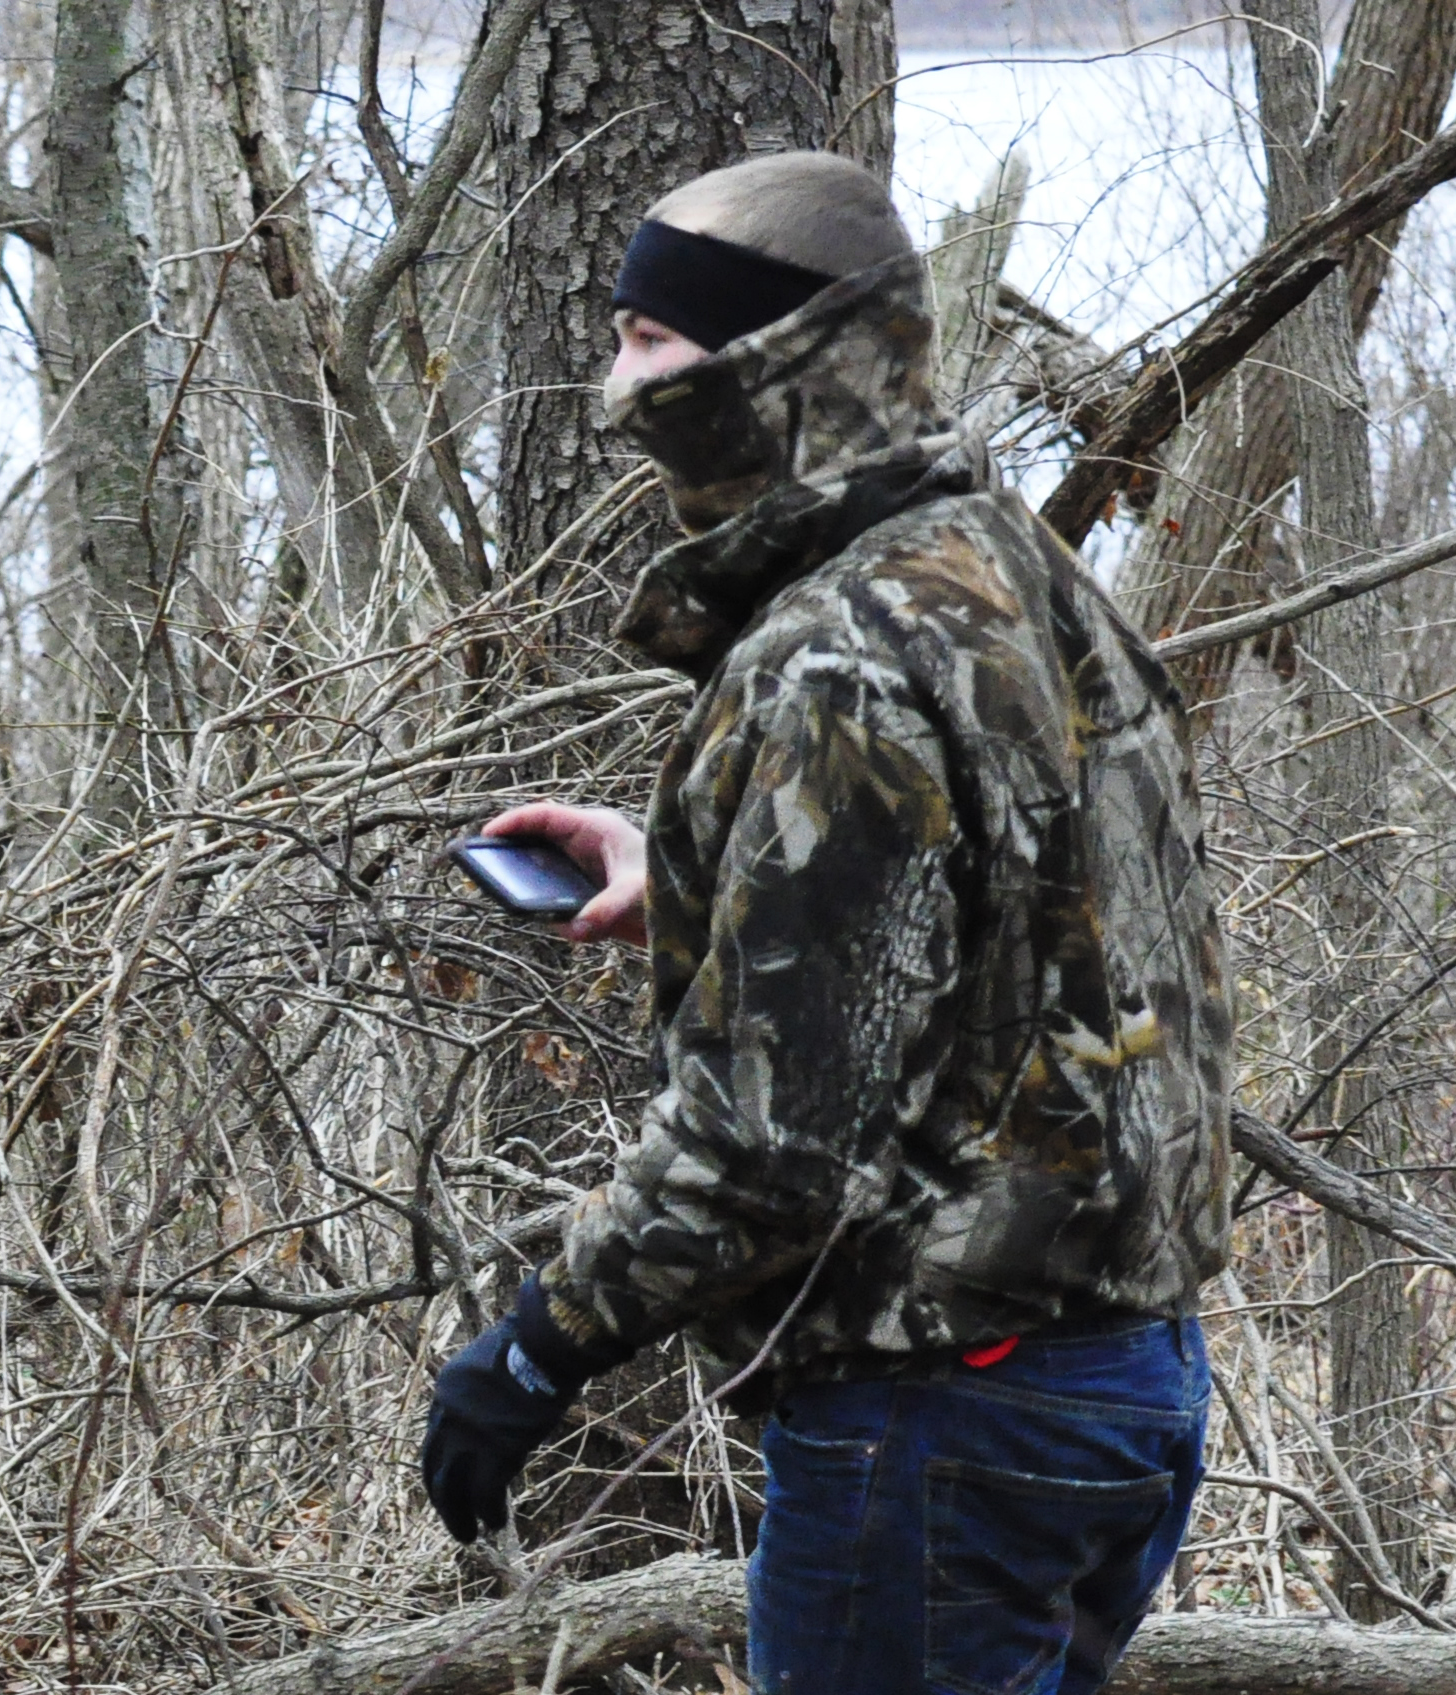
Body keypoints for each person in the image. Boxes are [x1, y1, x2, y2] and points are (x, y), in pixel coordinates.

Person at [418, 151, 1236, 1695]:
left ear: (777, 358)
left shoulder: (838, 659)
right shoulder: (1002, 561)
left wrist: (536, 1348)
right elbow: (1032, 907)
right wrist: (695, 871)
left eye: (650, 342)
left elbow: (772, 1147)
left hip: (949, 1409)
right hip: (1123, 1373)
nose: (617, 388)